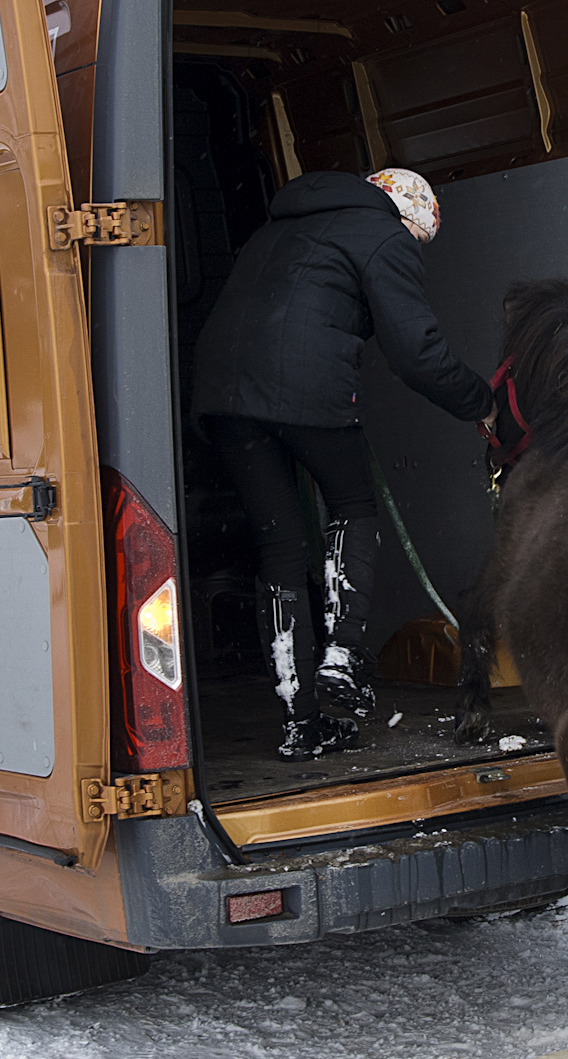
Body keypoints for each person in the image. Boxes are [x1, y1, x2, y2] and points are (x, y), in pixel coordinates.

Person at [192, 167, 494, 761]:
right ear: (409, 217)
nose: (414, 251)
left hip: (223, 395)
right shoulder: (383, 234)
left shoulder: (279, 230)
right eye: (419, 240)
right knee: (353, 505)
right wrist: (480, 403)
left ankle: (299, 725)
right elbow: (416, 352)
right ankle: (342, 656)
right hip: (302, 384)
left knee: (279, 548)